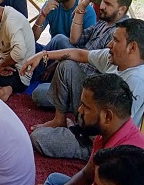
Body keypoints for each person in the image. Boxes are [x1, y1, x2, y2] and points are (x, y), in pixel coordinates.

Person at [23, 19, 144, 160]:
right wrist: (43, 55)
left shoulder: (136, 81)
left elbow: (112, 129)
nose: (110, 44)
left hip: (96, 137)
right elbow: (81, 54)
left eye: (116, 40)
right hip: (91, 110)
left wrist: (80, 128)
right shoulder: (114, 58)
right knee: (50, 82)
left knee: (38, 138)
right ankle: (60, 119)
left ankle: (80, 136)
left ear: (132, 48)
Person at [29, 0, 134, 128]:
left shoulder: (120, 35)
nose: (102, 6)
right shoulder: (104, 22)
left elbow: (84, 57)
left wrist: (60, 63)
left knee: (65, 67)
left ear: (122, 9)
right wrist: (81, 7)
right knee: (39, 91)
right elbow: (75, 39)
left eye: (108, 4)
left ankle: (64, 116)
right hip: (77, 74)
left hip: (89, 91)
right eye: (102, 1)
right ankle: (39, 76)